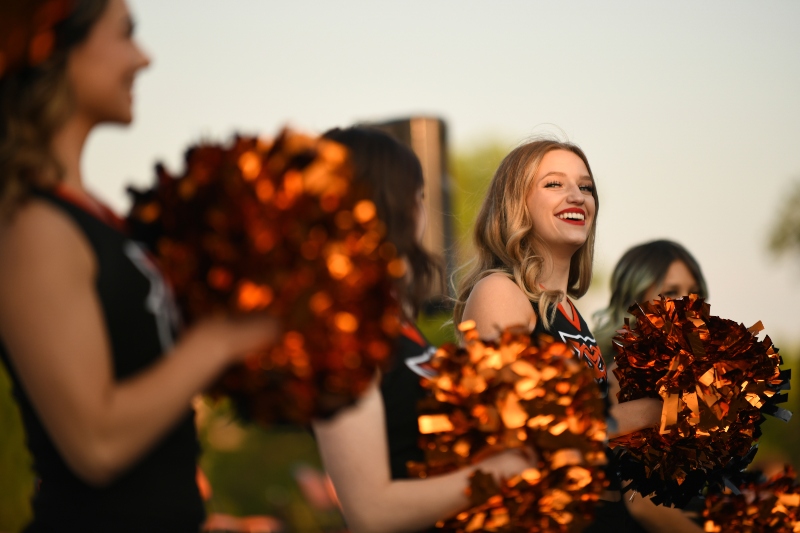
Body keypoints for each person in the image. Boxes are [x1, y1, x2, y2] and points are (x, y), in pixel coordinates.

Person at [0, 1, 278, 530]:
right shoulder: (33, 226)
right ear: (57, 46)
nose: (144, 58)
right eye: (126, 34)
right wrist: (220, 339)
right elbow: (96, 445)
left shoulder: (94, 216)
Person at [312, 127, 534, 533]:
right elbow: (370, 511)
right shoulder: (343, 331)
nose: (423, 211)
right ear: (385, 204)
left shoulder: (391, 321)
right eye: (417, 196)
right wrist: (503, 470)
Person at [453, 139, 664, 531]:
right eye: (553, 184)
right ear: (516, 204)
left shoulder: (569, 314)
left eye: (586, 187)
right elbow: (517, 439)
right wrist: (643, 414)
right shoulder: (500, 292)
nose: (576, 196)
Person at [593, 239, 708, 533]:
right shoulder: (624, 377)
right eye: (670, 292)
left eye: (695, 293)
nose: (687, 304)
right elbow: (639, 501)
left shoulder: (696, 379)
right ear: (635, 302)